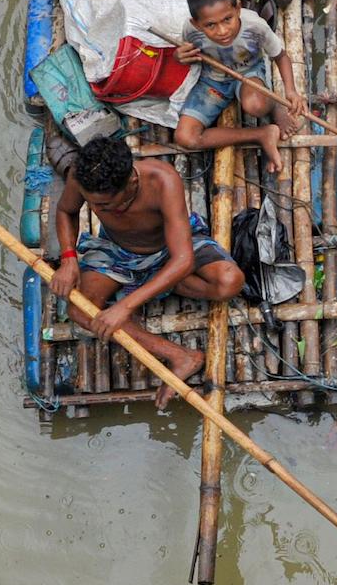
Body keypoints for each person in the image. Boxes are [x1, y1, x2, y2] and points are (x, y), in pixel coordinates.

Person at [50, 133, 245, 408]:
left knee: (229, 282)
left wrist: (125, 306)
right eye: (91, 202)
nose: (94, 209)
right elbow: (65, 211)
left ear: (131, 182)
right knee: (80, 309)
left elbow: (183, 259)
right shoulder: (81, 177)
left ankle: (164, 282)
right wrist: (69, 258)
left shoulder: (162, 180)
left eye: (104, 205)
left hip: (169, 248)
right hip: (117, 251)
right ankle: (180, 355)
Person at [172, 0, 305, 170]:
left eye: (228, 19)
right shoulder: (190, 31)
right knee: (185, 137)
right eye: (210, 25)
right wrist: (178, 56)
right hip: (212, 81)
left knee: (256, 105)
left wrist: (291, 91)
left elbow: (281, 56)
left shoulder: (255, 26)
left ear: (237, 8)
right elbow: (184, 55)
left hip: (249, 74)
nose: (222, 30)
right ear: (197, 23)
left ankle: (275, 104)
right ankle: (261, 134)